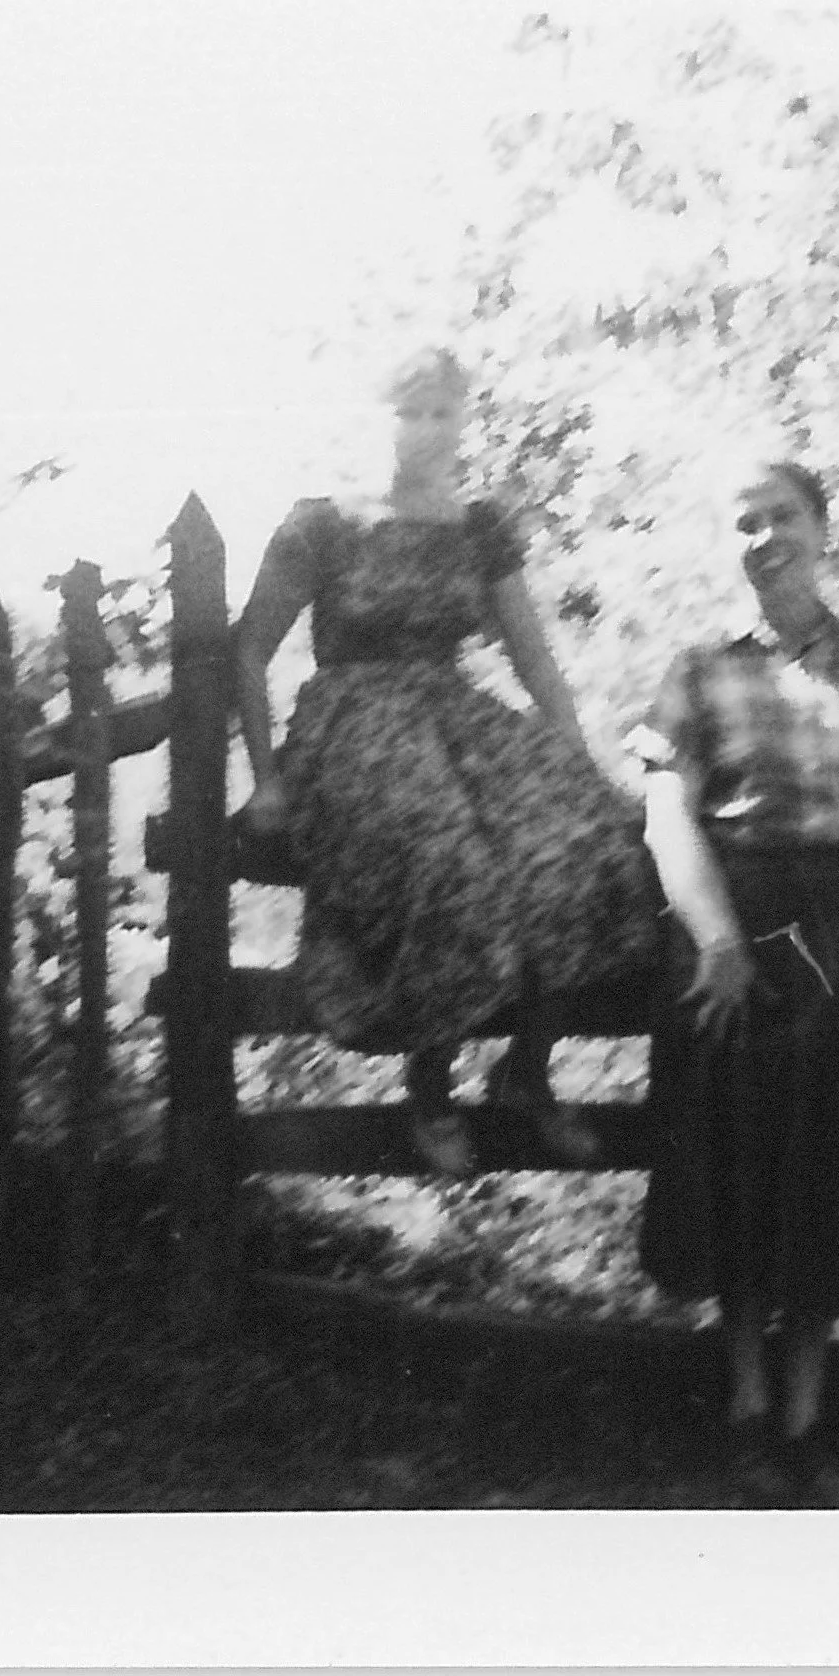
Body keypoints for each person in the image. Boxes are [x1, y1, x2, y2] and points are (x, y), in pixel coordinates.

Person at [630, 458, 839, 1506]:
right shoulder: (694, 668)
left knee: (830, 1162)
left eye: (782, 517)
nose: (764, 536)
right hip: (732, 926)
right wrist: (715, 939)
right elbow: (664, 814)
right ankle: (740, 1406)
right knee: (731, 1152)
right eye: (744, 521)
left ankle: (806, 1413)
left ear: (821, 531)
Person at [234, 347, 655, 1176]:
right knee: (449, 862)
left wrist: (574, 755)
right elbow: (248, 653)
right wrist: (266, 779)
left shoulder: (479, 527)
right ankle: (429, 1087)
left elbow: (532, 657)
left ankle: (525, 1073)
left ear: (463, 418)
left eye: (441, 412)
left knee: (588, 847)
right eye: (409, 410)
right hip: (352, 721)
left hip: (456, 716)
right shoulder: (322, 521)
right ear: (377, 416)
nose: (425, 430)